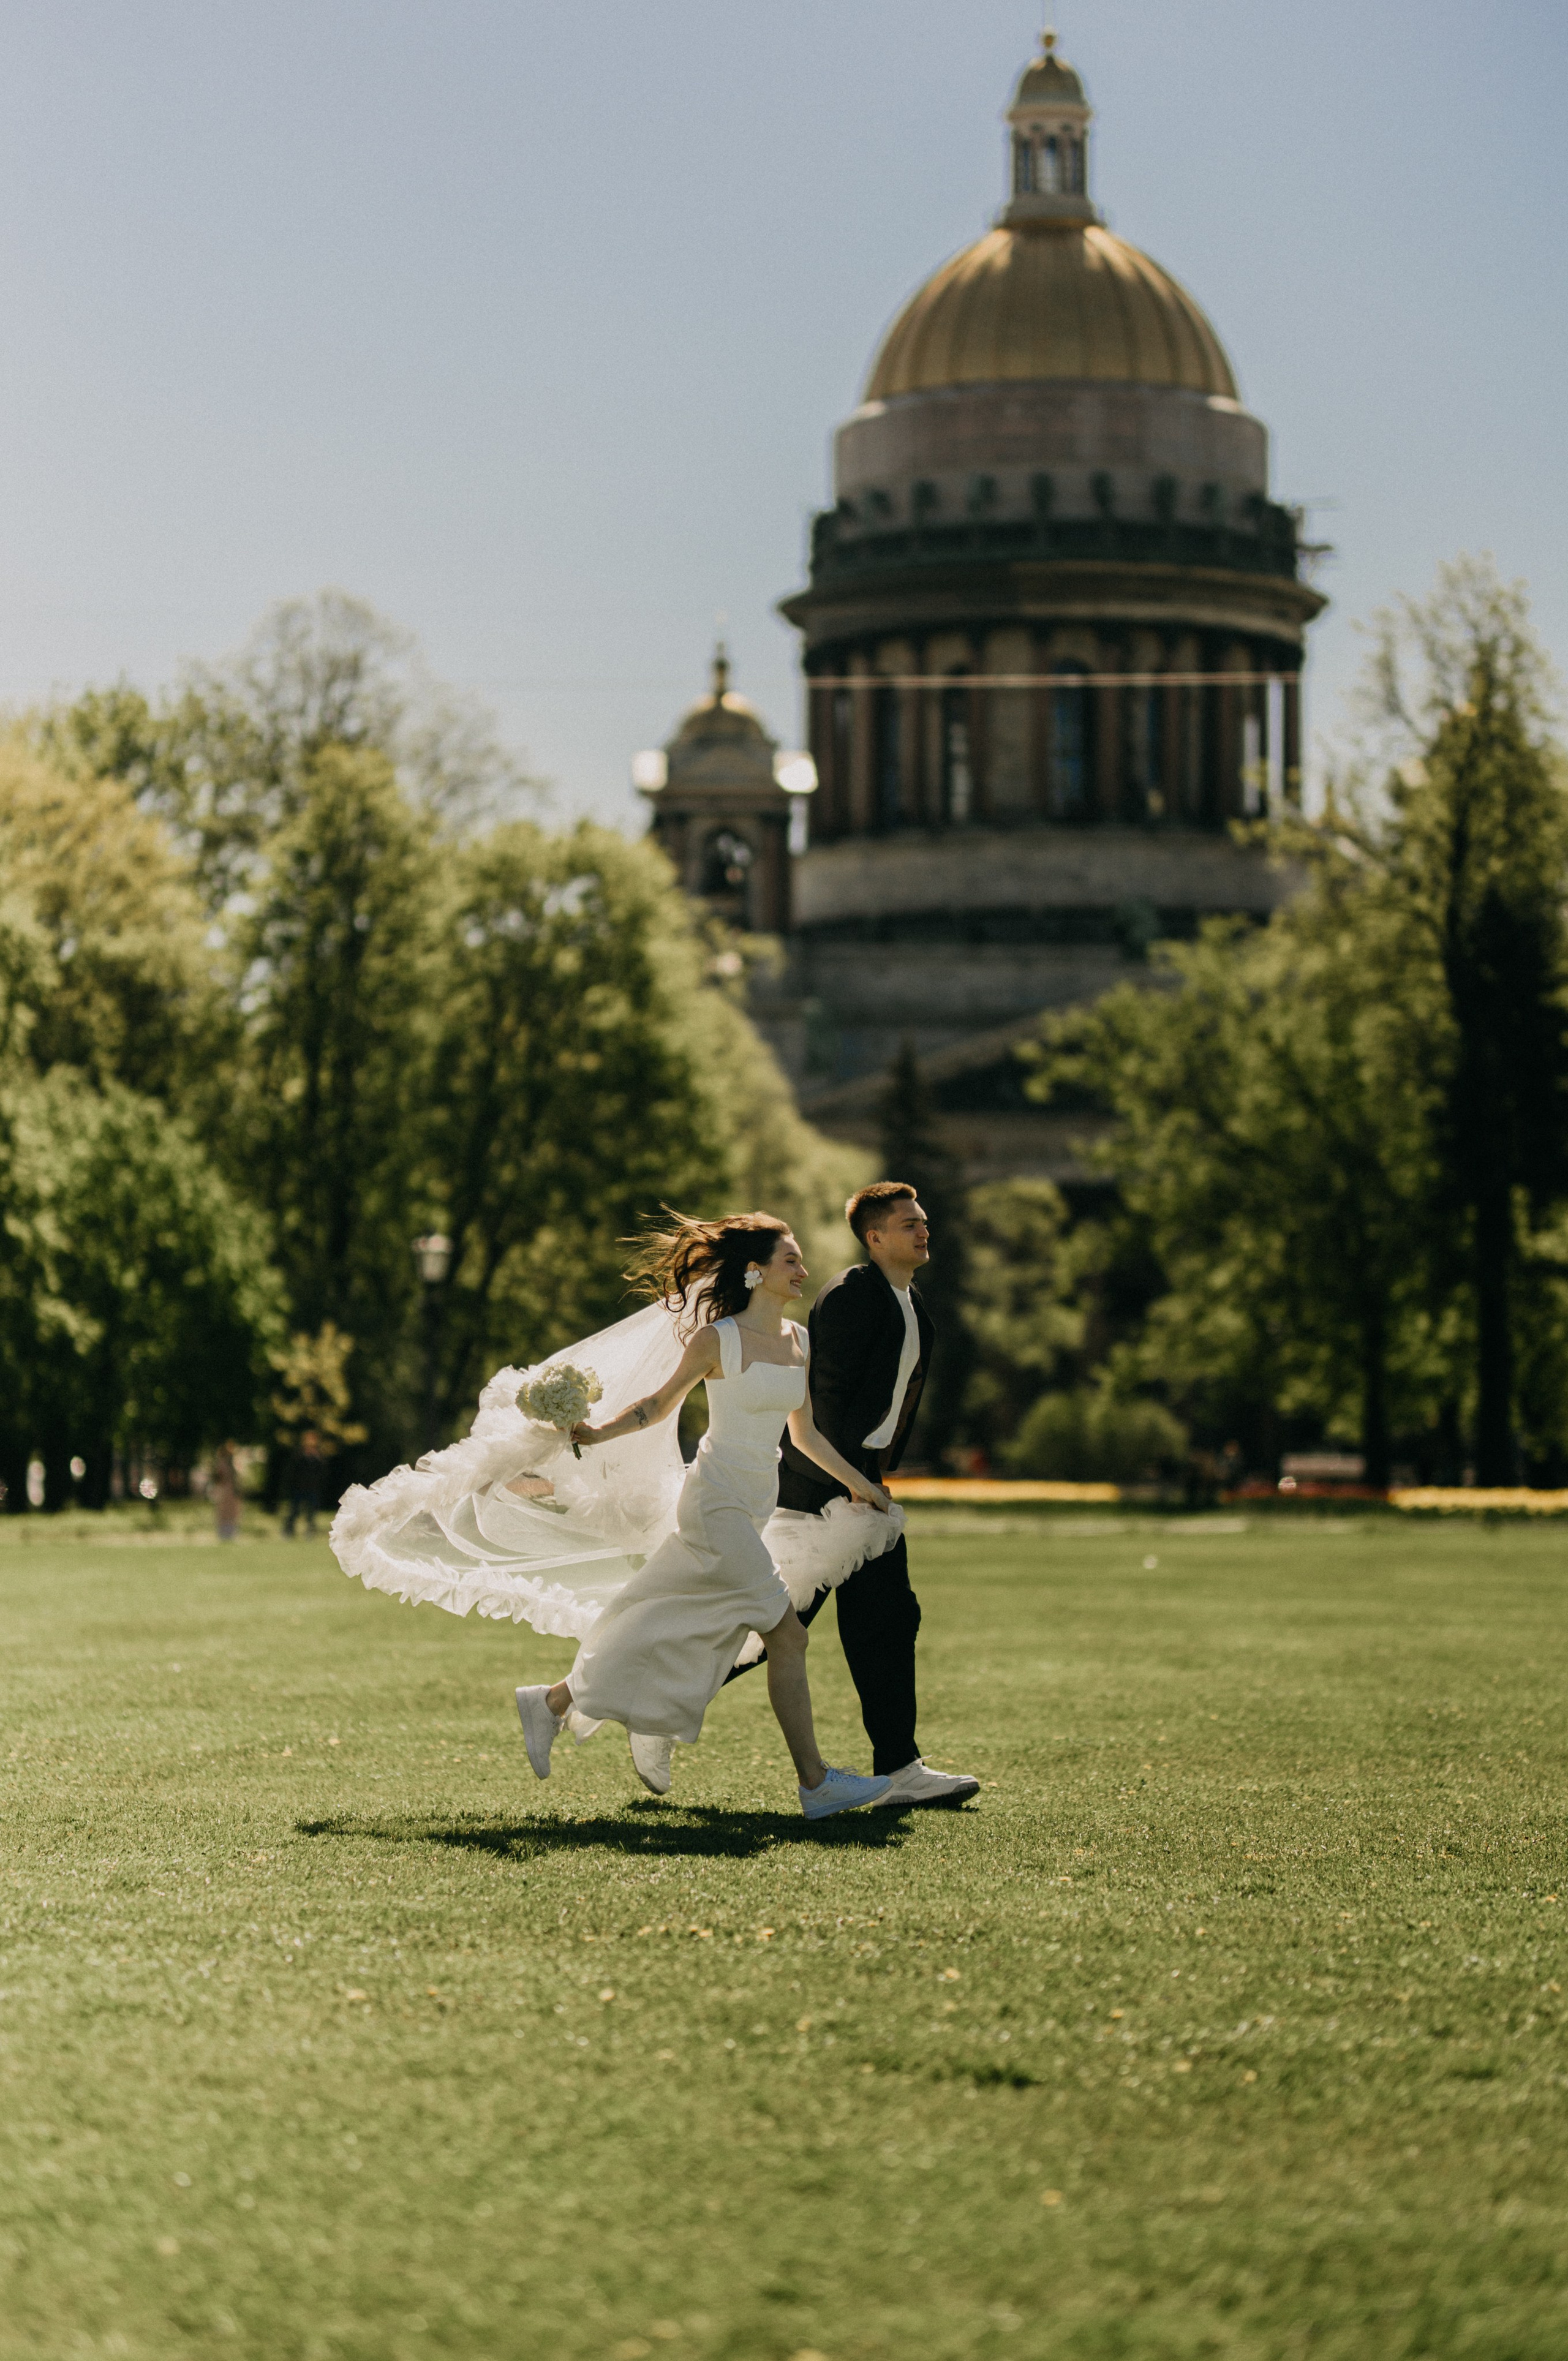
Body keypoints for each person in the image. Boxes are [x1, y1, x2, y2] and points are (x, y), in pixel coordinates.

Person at [331, 1212, 911, 1820]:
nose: (802, 1270)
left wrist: (858, 1485)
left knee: (675, 1619)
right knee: (785, 1634)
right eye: (790, 1259)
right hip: (714, 1503)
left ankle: (556, 1702)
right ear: (755, 1269)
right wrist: (595, 1432)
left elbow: (806, 1434)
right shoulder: (718, 1340)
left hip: (754, 1501)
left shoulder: (799, 1341)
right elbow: (656, 1407)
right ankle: (816, 1785)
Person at [767, 1182, 981, 1809]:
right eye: (908, 1224)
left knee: (886, 1621)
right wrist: (851, 1485)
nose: (923, 1231)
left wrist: (870, 1483)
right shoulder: (852, 1297)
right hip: (819, 1491)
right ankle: (634, 1707)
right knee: (762, 1631)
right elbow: (822, 1404)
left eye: (924, 1222)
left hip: (862, 1490)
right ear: (875, 1237)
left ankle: (900, 1767)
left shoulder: (913, 1304)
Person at [282, 1429, 324, 1538]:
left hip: (312, 1488)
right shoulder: (299, 1455)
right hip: (298, 1488)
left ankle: (310, 1532)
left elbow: (322, 1472)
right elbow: (292, 1471)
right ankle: (288, 1531)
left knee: (311, 1513)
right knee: (294, 1511)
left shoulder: (318, 1456)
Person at [211, 1442, 241, 1543]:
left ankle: (231, 1534)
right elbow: (219, 1478)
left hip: (231, 1491)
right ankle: (224, 1535)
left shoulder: (233, 1463)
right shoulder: (222, 1463)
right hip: (225, 1491)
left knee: (233, 1513)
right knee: (224, 1513)